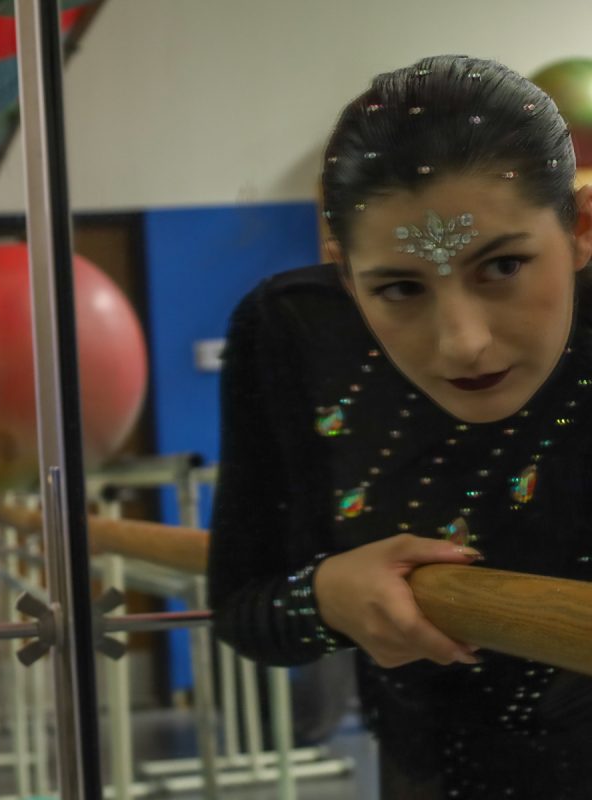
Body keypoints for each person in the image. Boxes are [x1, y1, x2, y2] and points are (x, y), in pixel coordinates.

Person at [208, 54, 592, 799]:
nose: (463, 341)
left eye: (504, 267)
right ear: (344, 273)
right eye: (399, 288)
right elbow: (242, 605)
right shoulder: (293, 333)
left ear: (579, 229)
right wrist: (324, 595)